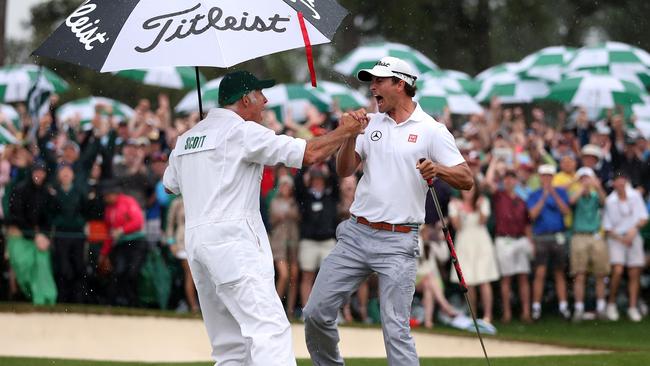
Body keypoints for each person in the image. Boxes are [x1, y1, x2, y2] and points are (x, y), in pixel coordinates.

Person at [162, 70, 367, 366]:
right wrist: (345, 131)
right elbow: (308, 154)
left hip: (198, 246)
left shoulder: (185, 140)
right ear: (245, 99)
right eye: (260, 95)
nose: (265, 101)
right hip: (233, 243)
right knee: (269, 331)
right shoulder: (242, 131)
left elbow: (171, 184)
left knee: (229, 348)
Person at [303, 56, 473, 365]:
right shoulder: (370, 123)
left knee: (395, 329)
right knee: (315, 313)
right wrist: (349, 134)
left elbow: (467, 179)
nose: (372, 88)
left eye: (379, 81)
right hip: (356, 233)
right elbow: (344, 170)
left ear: (401, 84)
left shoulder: (432, 130)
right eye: (371, 82)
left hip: (398, 241)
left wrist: (439, 169)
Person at [448, 180, 500, 324]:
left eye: (470, 189)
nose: (468, 192)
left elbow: (482, 222)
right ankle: (473, 316)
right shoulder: (454, 204)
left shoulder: (483, 202)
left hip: (481, 243)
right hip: (464, 243)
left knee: (484, 279)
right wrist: (459, 211)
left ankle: (487, 316)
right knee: (468, 282)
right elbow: (457, 227)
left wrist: (477, 208)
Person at [487, 168, 533, 323]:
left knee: (523, 277)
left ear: (516, 181)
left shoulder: (521, 201)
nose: (509, 181)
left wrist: (530, 241)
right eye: (506, 178)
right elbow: (488, 182)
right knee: (506, 278)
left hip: (520, 239)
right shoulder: (498, 196)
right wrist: (494, 163)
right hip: (504, 240)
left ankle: (526, 312)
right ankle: (507, 313)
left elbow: (527, 224)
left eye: (512, 178)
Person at [527, 164, 571, 320]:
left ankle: (564, 307)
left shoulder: (560, 192)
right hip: (541, 237)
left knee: (559, 272)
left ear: (553, 177)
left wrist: (553, 194)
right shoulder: (534, 195)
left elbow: (566, 211)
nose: (546, 179)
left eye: (549, 176)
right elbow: (532, 215)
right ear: (540, 177)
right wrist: (545, 196)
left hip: (558, 236)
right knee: (540, 272)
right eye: (544, 176)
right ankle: (536, 308)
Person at [602, 171, 648, 322]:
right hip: (616, 239)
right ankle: (611, 304)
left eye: (623, 181)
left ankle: (633, 307)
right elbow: (607, 228)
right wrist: (622, 238)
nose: (621, 184)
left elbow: (643, 218)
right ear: (614, 184)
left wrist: (632, 231)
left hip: (633, 236)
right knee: (617, 270)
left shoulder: (635, 196)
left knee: (635, 272)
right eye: (618, 181)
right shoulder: (610, 200)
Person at [569, 167, 609, 321]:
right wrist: (583, 187)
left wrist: (597, 187)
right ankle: (579, 309)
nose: (586, 181)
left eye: (588, 178)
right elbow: (571, 201)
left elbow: (604, 201)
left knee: (600, 273)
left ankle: (601, 308)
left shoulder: (595, 195)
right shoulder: (576, 194)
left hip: (595, 235)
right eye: (583, 178)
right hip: (579, 236)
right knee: (579, 274)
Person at [268, 174, 300, 317]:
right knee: (284, 275)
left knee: (294, 275)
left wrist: (291, 213)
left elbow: (299, 217)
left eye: (287, 185)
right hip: (279, 244)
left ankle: (290, 310)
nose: (285, 188)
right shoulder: (274, 201)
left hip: (293, 243)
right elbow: (272, 219)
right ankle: (274, 307)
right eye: (283, 185)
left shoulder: (295, 201)